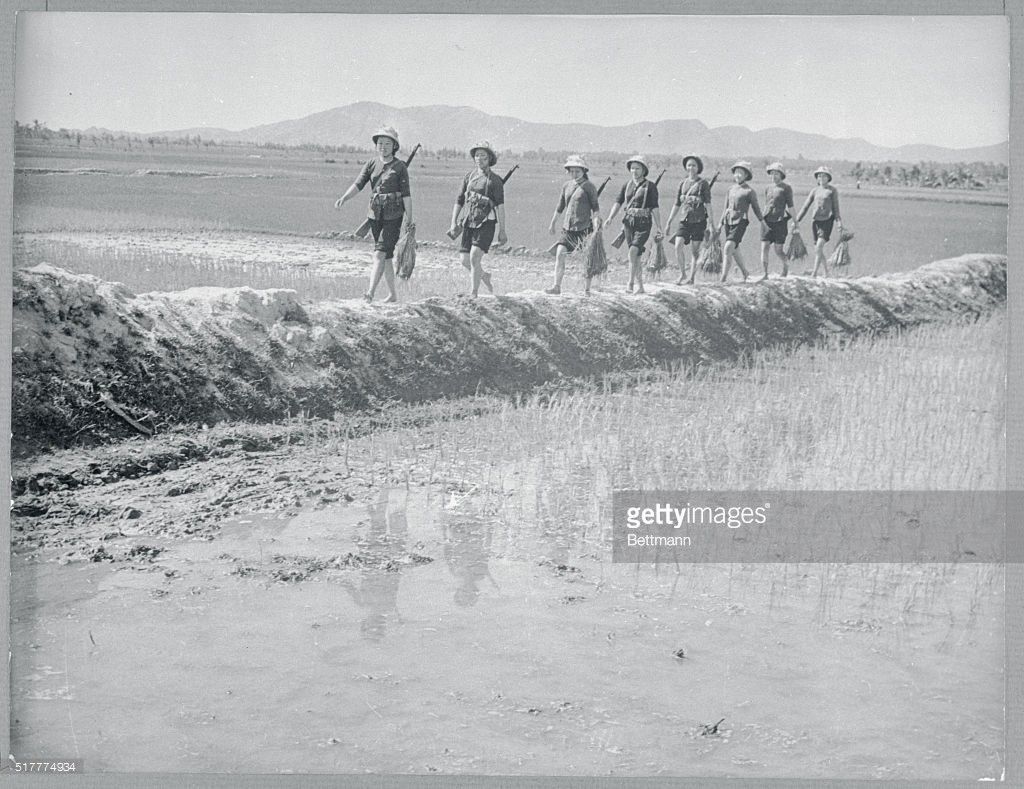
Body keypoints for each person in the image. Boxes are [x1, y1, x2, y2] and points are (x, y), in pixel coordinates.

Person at [334, 125, 413, 303]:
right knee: (386, 257)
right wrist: (344, 198)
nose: (383, 146)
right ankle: (393, 295)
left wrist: (409, 218)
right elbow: (358, 184)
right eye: (380, 143)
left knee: (379, 253)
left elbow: (406, 194)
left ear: (394, 146)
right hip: (375, 215)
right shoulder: (371, 163)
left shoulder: (400, 167)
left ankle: (369, 293)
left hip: (394, 216)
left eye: (387, 143)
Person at [449, 141, 507, 297]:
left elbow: (500, 207)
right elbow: (459, 200)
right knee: (464, 260)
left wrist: (502, 230)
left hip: (486, 223)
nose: (479, 158)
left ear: (489, 159)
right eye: (477, 155)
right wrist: (453, 222)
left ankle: (473, 293)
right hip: (469, 221)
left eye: (483, 155)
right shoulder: (469, 177)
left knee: (475, 256)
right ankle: (484, 276)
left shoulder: (495, 181)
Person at [605, 154, 663, 294]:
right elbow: (618, 202)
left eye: (637, 168)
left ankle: (630, 283)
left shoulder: (651, 187)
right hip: (629, 222)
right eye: (632, 168)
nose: (634, 171)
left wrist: (659, 226)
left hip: (643, 222)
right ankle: (641, 286)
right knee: (635, 255)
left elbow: (654, 207)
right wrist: (610, 218)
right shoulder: (627, 185)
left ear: (643, 170)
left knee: (633, 251)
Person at [546, 154, 602, 295]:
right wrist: (553, 223)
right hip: (568, 228)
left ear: (584, 171)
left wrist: (596, 226)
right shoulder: (566, 186)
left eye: (577, 171)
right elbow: (560, 207)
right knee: (560, 254)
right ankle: (556, 286)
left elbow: (595, 208)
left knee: (588, 257)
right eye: (572, 171)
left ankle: (587, 289)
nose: (574, 174)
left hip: (584, 228)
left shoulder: (589, 187)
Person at [663, 154, 713, 285]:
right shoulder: (682, 183)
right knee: (678, 245)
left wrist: (711, 224)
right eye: (689, 165)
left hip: (699, 221)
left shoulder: (703, 184)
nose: (691, 167)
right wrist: (669, 222)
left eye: (694, 165)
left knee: (695, 251)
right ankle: (682, 274)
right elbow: (676, 204)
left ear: (698, 168)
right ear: (686, 167)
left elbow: (708, 204)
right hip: (684, 220)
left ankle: (691, 278)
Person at [717, 160, 766, 283]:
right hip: (729, 221)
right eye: (736, 173)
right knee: (734, 248)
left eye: (741, 173)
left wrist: (763, 223)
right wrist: (720, 224)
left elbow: (756, 208)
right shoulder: (730, 189)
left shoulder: (749, 191)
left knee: (728, 247)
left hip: (740, 222)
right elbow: (725, 208)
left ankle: (723, 278)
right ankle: (745, 272)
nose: (738, 175)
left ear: (746, 176)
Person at [794, 165, 843, 277]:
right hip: (816, 222)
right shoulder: (815, 191)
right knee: (818, 249)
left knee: (819, 246)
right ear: (817, 178)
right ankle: (826, 272)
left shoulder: (832, 190)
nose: (821, 178)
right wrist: (796, 221)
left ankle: (814, 273)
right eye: (819, 176)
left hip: (827, 221)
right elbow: (805, 206)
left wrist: (839, 223)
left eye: (824, 176)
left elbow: (836, 208)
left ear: (828, 178)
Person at [760, 162, 795, 280]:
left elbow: (790, 206)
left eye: (776, 173)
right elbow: (766, 204)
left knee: (778, 250)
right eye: (772, 173)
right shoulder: (768, 188)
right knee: (764, 246)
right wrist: (762, 220)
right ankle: (765, 274)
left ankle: (786, 266)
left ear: (781, 175)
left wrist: (795, 222)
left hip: (780, 222)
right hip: (767, 221)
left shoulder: (786, 188)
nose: (774, 176)